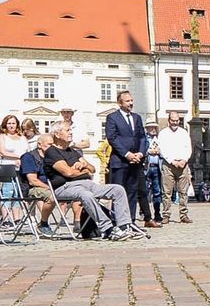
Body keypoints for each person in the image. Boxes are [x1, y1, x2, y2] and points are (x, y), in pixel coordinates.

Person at [46, 125, 140, 240]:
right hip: (64, 187)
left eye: (71, 130)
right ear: (57, 134)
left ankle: (124, 227)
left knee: (117, 189)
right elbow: (68, 173)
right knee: (85, 195)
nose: (71, 133)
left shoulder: (72, 151)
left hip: (87, 184)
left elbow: (92, 169)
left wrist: (84, 166)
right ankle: (108, 229)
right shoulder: (52, 152)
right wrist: (84, 171)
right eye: (67, 130)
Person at [104, 91, 148, 222]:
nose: (131, 103)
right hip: (120, 162)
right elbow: (112, 138)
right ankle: (117, 221)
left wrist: (140, 153)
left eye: (131, 100)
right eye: (128, 101)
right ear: (120, 103)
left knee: (132, 193)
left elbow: (142, 137)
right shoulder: (112, 117)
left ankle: (131, 221)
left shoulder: (136, 118)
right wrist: (127, 154)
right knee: (118, 193)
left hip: (135, 162)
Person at [158, 111, 194, 224]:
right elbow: (162, 149)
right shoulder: (163, 133)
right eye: (173, 120)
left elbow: (188, 148)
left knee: (183, 192)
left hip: (183, 164)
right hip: (168, 165)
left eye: (177, 120)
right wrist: (172, 161)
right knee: (166, 192)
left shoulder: (184, 132)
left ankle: (183, 214)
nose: (175, 122)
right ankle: (166, 214)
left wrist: (184, 160)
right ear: (169, 120)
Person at [21, 133, 58, 230]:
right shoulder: (29, 157)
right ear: (39, 145)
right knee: (50, 196)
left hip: (53, 186)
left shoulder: (53, 157)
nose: (52, 147)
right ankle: (43, 223)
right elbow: (33, 181)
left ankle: (78, 224)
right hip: (33, 189)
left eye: (53, 144)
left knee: (79, 193)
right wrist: (50, 188)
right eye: (49, 144)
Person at [139, 120, 164, 228]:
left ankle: (157, 213)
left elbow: (167, 151)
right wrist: (147, 152)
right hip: (146, 167)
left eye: (155, 127)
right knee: (144, 191)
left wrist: (160, 151)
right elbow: (140, 149)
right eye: (151, 127)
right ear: (147, 129)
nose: (153, 129)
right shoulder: (144, 139)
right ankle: (144, 213)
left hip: (157, 167)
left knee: (157, 192)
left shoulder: (160, 139)